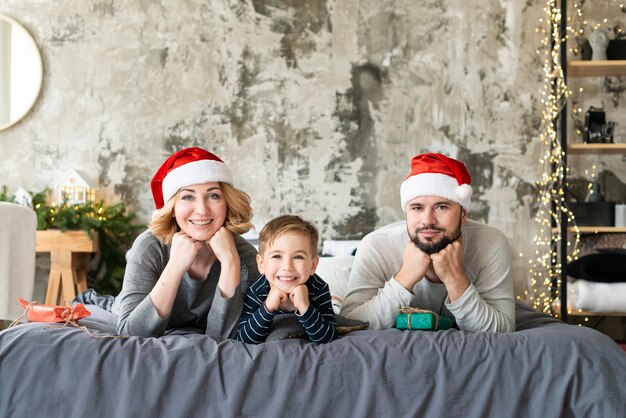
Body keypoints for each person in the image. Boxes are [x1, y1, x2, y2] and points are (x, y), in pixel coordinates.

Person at [341, 153, 515, 333]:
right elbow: (350, 324)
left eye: (442, 207)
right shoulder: (376, 245)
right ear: (406, 212)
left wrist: (456, 280)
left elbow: (503, 331)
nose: (428, 220)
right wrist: (404, 278)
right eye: (417, 208)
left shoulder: (491, 243)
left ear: (463, 214)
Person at [111, 147, 259, 338]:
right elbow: (131, 333)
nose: (202, 210)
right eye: (187, 196)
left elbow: (225, 339)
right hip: (123, 307)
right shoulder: (150, 246)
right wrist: (175, 266)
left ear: (227, 203)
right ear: (172, 208)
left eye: (213, 195)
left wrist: (230, 262)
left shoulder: (244, 256)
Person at [236, 215, 338, 344]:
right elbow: (244, 339)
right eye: (277, 256)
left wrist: (305, 307)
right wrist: (267, 307)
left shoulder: (319, 288)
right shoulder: (257, 289)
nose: (287, 267)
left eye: (298, 257)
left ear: (313, 265)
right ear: (261, 264)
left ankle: (336, 302)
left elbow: (329, 338)